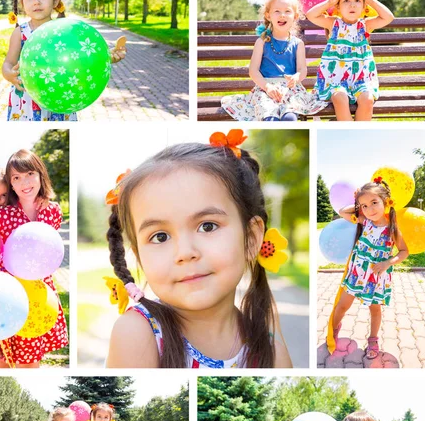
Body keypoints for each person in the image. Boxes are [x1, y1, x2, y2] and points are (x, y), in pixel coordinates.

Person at [105, 129, 293, 368]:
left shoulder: (267, 339)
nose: (185, 253)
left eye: (207, 226)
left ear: (251, 238)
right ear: (139, 256)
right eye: (160, 237)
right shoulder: (138, 333)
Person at [2, 0, 126, 122]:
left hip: (61, 95)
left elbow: (82, 57)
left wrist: (108, 57)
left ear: (55, 0)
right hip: (28, 98)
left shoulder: (67, 32)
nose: (36, 1)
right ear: (22, 3)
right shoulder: (20, 33)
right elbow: (8, 62)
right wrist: (9, 74)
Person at [0, 149, 68, 366]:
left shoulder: (52, 212)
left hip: (38, 296)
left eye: (30, 173)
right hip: (8, 296)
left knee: (30, 361)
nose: (25, 182)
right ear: (10, 184)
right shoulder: (0, 216)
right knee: (0, 361)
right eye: (16, 178)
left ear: (40, 174)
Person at [328, 178, 409, 358]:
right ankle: (333, 329)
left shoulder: (392, 228)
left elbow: (404, 252)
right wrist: (358, 204)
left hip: (376, 276)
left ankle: (373, 340)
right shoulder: (364, 221)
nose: (370, 209)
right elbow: (342, 212)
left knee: (375, 309)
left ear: (385, 202)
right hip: (357, 273)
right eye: (364, 206)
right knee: (343, 305)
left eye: (374, 203)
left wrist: (388, 262)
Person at [221, 0, 327, 121]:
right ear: (268, 16)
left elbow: (302, 70)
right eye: (277, 11)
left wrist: (296, 78)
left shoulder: (297, 43)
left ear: (295, 16)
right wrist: (267, 87)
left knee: (289, 118)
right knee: (270, 117)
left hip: (290, 90)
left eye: (287, 11)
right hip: (266, 89)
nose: (282, 15)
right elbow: (253, 70)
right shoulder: (262, 42)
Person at [306, 0, 394, 121]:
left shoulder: (365, 25)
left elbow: (388, 17)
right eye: (346, 0)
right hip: (335, 81)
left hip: (361, 79)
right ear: (338, 6)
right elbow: (311, 15)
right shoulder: (333, 24)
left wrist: (371, 0)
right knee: (339, 97)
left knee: (367, 100)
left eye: (358, 0)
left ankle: (359, 135)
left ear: (364, 6)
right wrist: (330, 2)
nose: (352, 5)